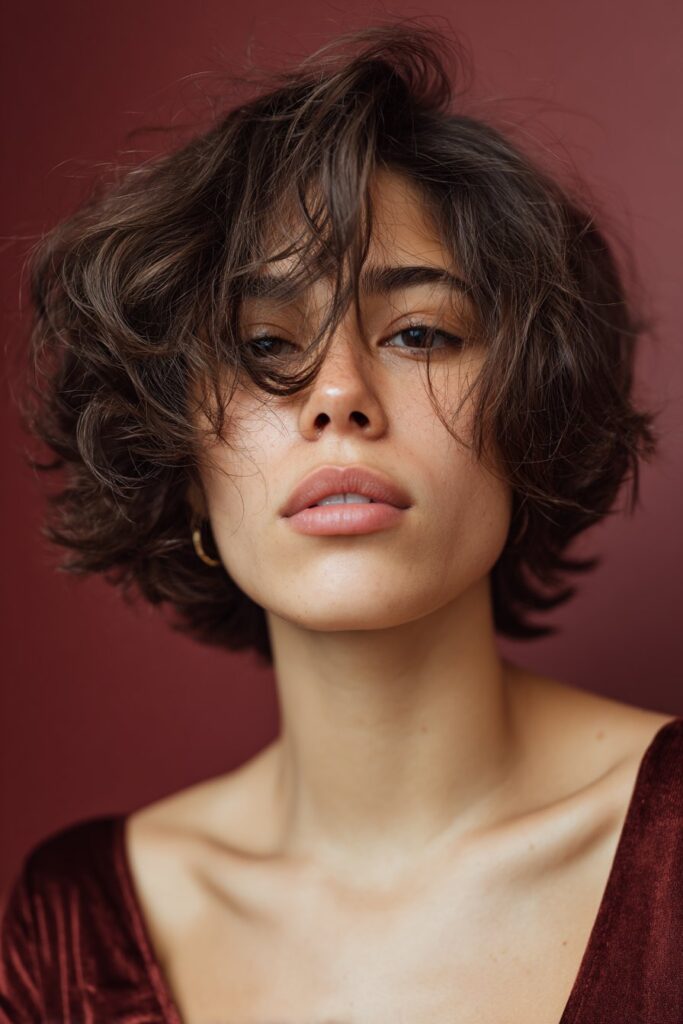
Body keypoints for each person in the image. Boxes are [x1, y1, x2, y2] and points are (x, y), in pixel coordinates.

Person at [1, 20, 681, 1024]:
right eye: (263, 345)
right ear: (182, 467)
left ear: (526, 415)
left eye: (416, 332)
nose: (337, 397)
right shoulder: (75, 928)